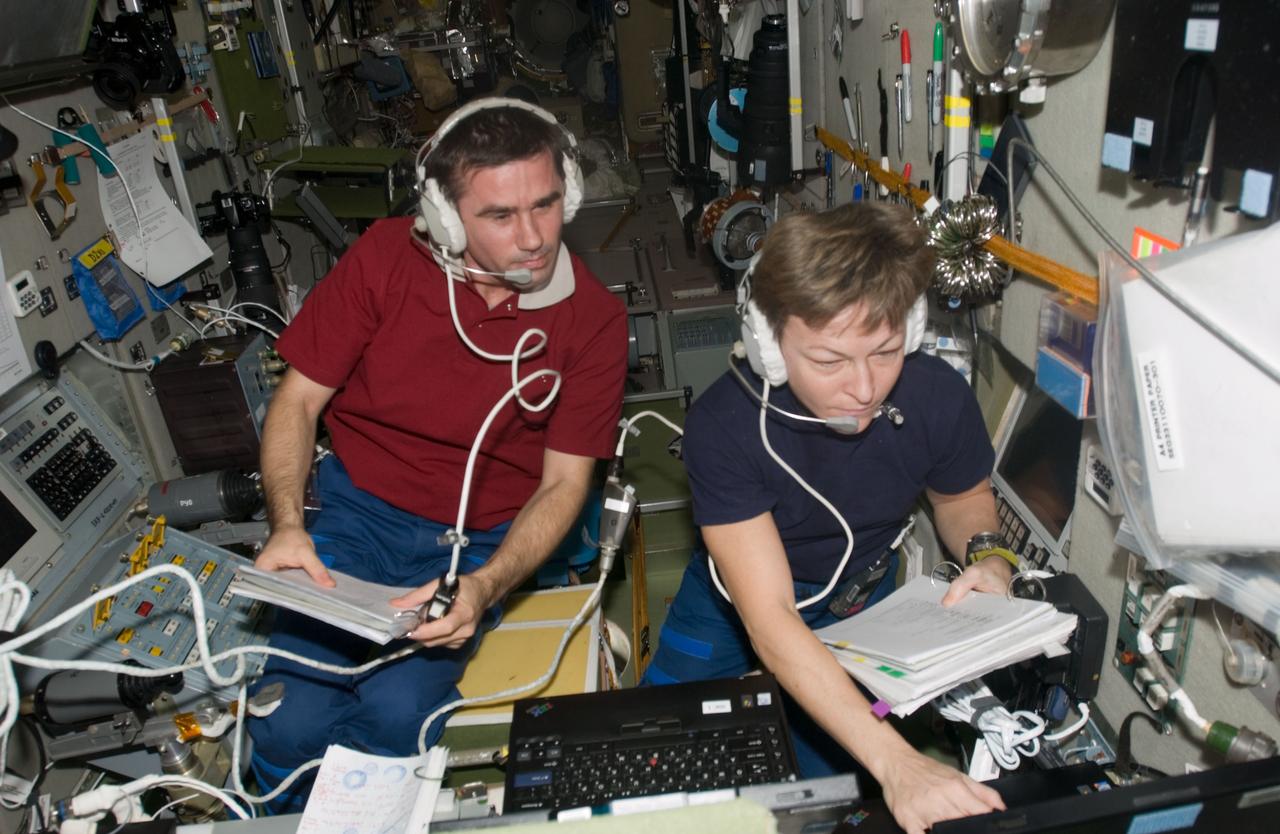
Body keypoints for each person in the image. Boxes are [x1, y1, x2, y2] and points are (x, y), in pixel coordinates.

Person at [247, 98, 628, 811]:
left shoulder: (594, 321)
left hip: (478, 542)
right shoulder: (384, 259)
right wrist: (288, 524)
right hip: (358, 516)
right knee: (287, 719)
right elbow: (297, 402)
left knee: (398, 715)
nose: (533, 238)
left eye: (546, 205)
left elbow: (564, 484)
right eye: (500, 216)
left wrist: (484, 587)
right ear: (445, 215)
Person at [642, 203, 1016, 834]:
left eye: (886, 351)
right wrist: (901, 765)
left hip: (861, 603)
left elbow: (960, 498)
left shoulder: (936, 396)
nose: (865, 388)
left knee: (832, 784)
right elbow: (770, 619)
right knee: (659, 745)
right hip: (736, 603)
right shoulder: (723, 426)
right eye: (829, 361)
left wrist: (989, 558)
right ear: (769, 345)